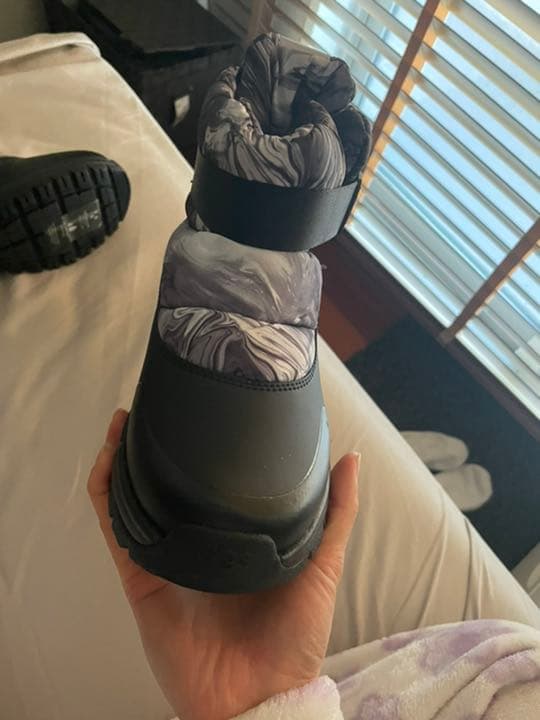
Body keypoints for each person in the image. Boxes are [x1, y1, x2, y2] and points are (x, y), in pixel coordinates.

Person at [88, 410, 540, 720]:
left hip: (319, 697)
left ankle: (424, 481)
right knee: (338, 499)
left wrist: (245, 706)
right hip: (459, 669)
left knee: (327, 499)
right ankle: (428, 486)